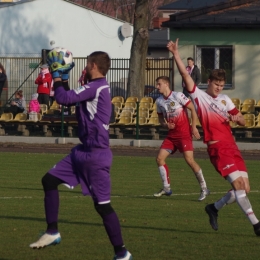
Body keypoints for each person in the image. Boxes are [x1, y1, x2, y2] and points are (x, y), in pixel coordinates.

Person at [29, 50, 132, 260]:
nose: (84, 67)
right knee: (48, 180)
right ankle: (52, 231)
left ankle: (121, 253)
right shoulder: (94, 87)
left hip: (96, 156)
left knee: (102, 207)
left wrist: (56, 75)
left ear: (93, 65)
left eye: (86, 64)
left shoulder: (97, 87)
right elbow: (69, 98)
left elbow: (63, 97)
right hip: (82, 152)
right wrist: (64, 78)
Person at [167, 38, 260, 236]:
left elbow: (243, 120)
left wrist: (237, 118)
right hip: (218, 148)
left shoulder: (226, 100)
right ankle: (256, 225)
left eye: (222, 85)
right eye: (216, 84)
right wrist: (175, 54)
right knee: (238, 186)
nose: (219, 88)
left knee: (245, 188)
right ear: (209, 82)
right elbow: (185, 74)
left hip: (232, 147)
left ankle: (214, 208)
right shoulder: (199, 96)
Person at [153, 76, 210, 201]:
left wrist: (194, 127)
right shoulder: (159, 101)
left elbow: (192, 109)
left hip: (184, 135)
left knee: (190, 161)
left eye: (159, 84)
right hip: (171, 136)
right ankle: (166, 188)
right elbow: (161, 120)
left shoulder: (178, 96)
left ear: (166, 84)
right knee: (159, 159)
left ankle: (204, 188)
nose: (157, 87)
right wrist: (165, 125)